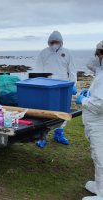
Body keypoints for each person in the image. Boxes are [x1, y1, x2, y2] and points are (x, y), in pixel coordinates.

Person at [34, 30, 77, 148]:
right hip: (47, 86)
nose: (54, 44)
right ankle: (42, 135)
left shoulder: (67, 53)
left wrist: (73, 84)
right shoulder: (43, 53)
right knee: (45, 111)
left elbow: (72, 70)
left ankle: (59, 133)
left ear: (61, 42)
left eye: (56, 41)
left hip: (63, 86)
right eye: (52, 42)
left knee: (63, 110)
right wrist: (38, 84)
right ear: (49, 42)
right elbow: (37, 70)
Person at [76, 40, 103, 200]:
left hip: (99, 122)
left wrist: (83, 100)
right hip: (97, 122)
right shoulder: (101, 72)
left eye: (98, 54)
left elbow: (99, 105)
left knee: (100, 155)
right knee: (96, 153)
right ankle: (99, 186)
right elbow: (90, 65)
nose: (96, 57)